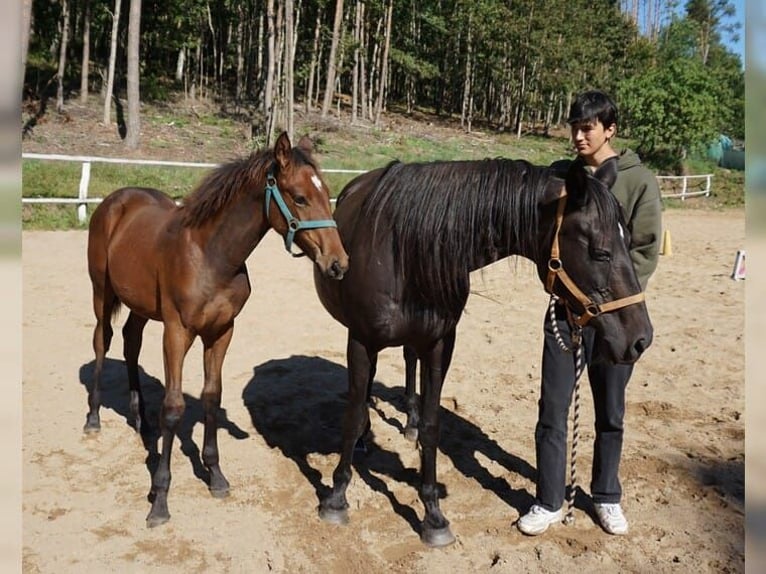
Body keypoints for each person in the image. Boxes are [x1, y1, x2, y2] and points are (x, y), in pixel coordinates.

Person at [516, 89, 662, 536]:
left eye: (588, 128)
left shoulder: (638, 182)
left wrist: (602, 299)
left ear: (609, 129)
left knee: (611, 410)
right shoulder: (562, 176)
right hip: (566, 313)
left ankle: (606, 495)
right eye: (574, 127)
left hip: (615, 315)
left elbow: (644, 251)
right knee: (552, 408)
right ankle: (549, 499)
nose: (578, 136)